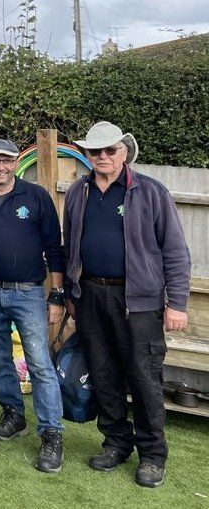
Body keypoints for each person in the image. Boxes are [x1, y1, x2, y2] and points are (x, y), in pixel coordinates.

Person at [63, 121, 190, 488]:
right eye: (95, 151)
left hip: (140, 301)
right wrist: (72, 293)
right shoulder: (77, 192)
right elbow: (71, 244)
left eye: (109, 150)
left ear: (123, 152)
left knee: (144, 377)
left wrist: (177, 303)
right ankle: (116, 442)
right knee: (103, 374)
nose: (102, 157)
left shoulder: (150, 192)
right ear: (87, 155)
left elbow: (176, 251)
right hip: (90, 296)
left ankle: (152, 455)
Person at [0, 138, 65, 473]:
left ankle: (51, 432)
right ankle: (13, 414)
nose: (1, 167)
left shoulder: (35, 197)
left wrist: (57, 295)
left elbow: (54, 248)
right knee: (0, 359)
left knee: (39, 363)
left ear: (15, 163)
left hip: (28, 294)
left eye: (6, 161)